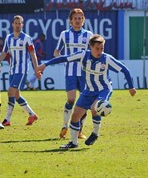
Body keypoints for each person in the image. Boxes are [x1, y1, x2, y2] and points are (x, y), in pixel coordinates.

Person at [38, 34, 137, 149]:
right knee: (75, 117)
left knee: (95, 108)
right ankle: (74, 143)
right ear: (90, 47)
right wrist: (45, 65)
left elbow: (125, 70)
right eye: (97, 49)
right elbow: (64, 58)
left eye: (102, 49)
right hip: (88, 91)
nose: (99, 51)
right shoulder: (83, 55)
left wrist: (131, 87)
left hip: (103, 89)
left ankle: (95, 133)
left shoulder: (106, 59)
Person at [54, 8, 93, 139]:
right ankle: (65, 125)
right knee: (71, 99)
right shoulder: (64, 34)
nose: (78, 21)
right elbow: (56, 52)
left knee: (85, 102)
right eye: (75, 18)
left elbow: (94, 53)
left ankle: (79, 131)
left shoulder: (88, 35)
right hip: (70, 72)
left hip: (85, 73)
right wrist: (63, 62)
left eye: (80, 18)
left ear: (83, 20)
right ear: (70, 21)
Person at [0, 15, 41, 126]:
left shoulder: (26, 38)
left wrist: (36, 69)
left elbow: (33, 54)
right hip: (12, 70)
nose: (18, 25)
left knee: (10, 92)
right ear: (12, 24)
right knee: (16, 95)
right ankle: (32, 115)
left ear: (22, 24)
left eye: (20, 23)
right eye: (16, 23)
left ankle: (7, 119)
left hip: (21, 70)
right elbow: (4, 53)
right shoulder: (8, 38)